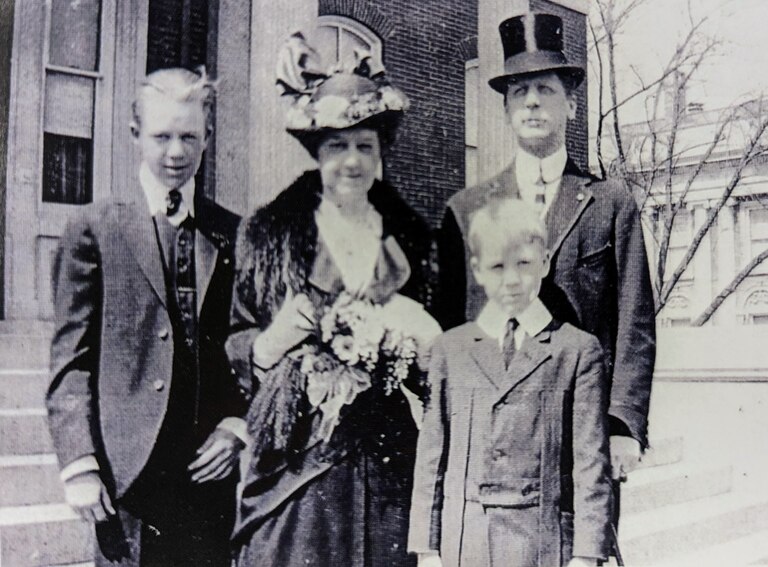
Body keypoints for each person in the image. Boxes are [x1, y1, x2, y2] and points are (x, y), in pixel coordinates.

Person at [226, 33, 439, 567]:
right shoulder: (270, 234)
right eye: (337, 146)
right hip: (297, 468)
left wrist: (410, 341)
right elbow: (235, 343)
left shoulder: (410, 240)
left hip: (385, 465)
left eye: (365, 146)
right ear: (316, 152)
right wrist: (271, 340)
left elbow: (436, 366)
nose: (352, 162)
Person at [438, 12, 655, 492]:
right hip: (495, 427)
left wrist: (623, 424)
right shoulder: (469, 208)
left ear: (572, 105)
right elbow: (450, 325)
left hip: (583, 424)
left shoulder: (611, 203)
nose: (533, 102)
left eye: (546, 90)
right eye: (520, 92)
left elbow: (634, 322)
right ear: (505, 109)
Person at [46, 67, 248, 566]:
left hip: (207, 474)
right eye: (162, 137)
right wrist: (79, 463)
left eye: (189, 137)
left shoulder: (231, 233)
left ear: (208, 136)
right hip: (126, 477)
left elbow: (245, 340)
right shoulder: (95, 228)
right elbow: (71, 361)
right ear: (135, 134)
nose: (176, 152)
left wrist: (236, 425)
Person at [410, 198, 612, 567]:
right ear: (478, 270)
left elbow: (591, 464)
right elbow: (431, 457)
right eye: (497, 266)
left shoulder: (577, 351)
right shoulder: (450, 349)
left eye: (524, 264)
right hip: (463, 543)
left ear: (545, 262)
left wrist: (586, 555)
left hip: (544, 544)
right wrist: (427, 550)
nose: (512, 280)